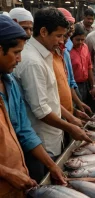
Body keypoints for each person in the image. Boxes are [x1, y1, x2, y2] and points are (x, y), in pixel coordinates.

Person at [13, 7, 92, 183]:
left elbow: (50, 99)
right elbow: (41, 110)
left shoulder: (44, 54)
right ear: (43, 31)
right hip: (41, 142)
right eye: (58, 36)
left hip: (53, 137)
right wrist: (70, 127)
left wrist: (71, 117)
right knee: (45, 185)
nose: (61, 41)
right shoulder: (32, 62)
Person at [0, 15, 66, 197]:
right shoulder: (31, 64)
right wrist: (6, 172)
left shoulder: (10, 83)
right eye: (15, 53)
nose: (20, 59)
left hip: (16, 182)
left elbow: (24, 130)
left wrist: (52, 165)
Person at [58, 8, 92, 117]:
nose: (81, 43)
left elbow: (70, 81)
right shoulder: (66, 51)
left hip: (77, 89)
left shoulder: (64, 52)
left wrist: (78, 104)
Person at [70, 24, 95, 109]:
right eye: (77, 40)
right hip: (74, 87)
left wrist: (93, 86)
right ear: (71, 38)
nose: (80, 42)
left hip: (85, 85)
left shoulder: (85, 47)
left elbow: (89, 66)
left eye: (82, 40)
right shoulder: (67, 51)